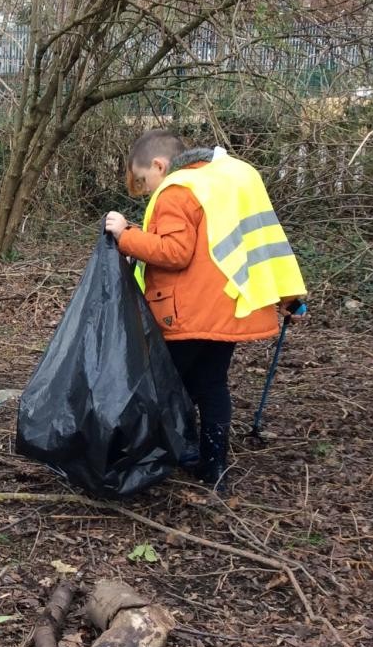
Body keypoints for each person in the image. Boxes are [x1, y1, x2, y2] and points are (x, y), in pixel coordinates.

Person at [103, 130, 307, 493]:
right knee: (212, 385)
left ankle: (158, 455)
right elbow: (259, 244)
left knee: (165, 386)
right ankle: (213, 465)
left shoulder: (178, 190)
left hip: (186, 313)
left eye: (145, 180)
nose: (148, 190)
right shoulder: (229, 182)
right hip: (230, 308)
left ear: (159, 165)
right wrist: (287, 297)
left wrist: (125, 235)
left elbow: (175, 252)